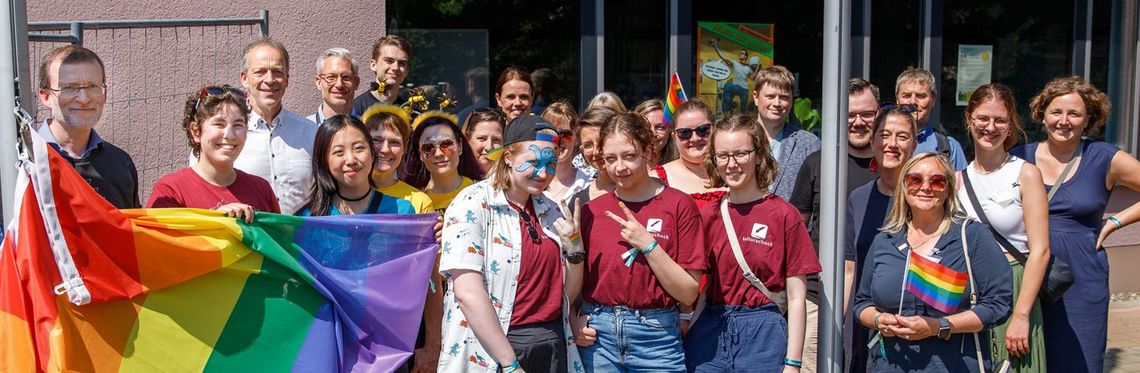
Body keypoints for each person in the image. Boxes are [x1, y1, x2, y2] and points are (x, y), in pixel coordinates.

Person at [1010, 76, 1140, 373]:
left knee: (1079, 362)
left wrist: (1117, 221)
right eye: (1056, 112)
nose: (1063, 121)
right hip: (1026, 277)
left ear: (1088, 120)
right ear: (1042, 114)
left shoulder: (1104, 158)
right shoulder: (1019, 158)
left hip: (1082, 280)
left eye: (1074, 114)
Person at [437, 117, 584, 372]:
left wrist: (574, 249)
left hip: (550, 343)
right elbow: (467, 292)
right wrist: (510, 363)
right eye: (533, 162)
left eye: (550, 164)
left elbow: (565, 295)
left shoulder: (550, 209)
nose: (543, 173)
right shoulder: (472, 202)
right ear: (507, 157)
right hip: (493, 350)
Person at [853, 153, 1013, 372]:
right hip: (891, 364)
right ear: (904, 186)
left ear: (948, 189)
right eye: (915, 179)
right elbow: (862, 303)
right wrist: (879, 319)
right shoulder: (885, 240)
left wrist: (940, 326)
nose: (925, 187)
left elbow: (999, 304)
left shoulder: (972, 236)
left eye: (937, 181)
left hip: (953, 364)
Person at [685, 114, 821, 372]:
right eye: (722, 155)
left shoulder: (784, 215)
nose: (731, 164)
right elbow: (705, 286)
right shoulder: (708, 214)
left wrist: (793, 363)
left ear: (758, 154)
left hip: (764, 333)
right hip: (711, 330)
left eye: (740, 154)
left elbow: (796, 296)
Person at [574, 112, 705, 372]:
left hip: (657, 340)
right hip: (599, 339)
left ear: (648, 151)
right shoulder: (590, 210)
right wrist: (572, 320)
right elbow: (576, 284)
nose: (619, 167)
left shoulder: (679, 205)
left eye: (629, 156)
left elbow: (689, 292)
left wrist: (649, 245)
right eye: (611, 159)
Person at [788, 77, 881, 372]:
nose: (858, 122)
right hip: (821, 299)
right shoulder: (818, 163)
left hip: (882, 300)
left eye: (866, 114)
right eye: (849, 114)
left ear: (879, 114)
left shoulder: (898, 171)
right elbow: (794, 233)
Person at [955, 84, 1049, 372]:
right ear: (969, 120)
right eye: (983, 118)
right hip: (969, 289)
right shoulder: (955, 179)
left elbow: (1041, 251)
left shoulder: (1025, 173)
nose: (990, 127)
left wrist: (1021, 314)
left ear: (1010, 127)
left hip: (1014, 286)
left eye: (1000, 120)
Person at [843, 106, 919, 373]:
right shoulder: (858, 198)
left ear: (914, 143)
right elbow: (850, 269)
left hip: (912, 321)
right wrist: (842, 327)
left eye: (902, 136)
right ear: (873, 140)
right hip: (866, 317)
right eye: (885, 135)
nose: (891, 144)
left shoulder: (926, 197)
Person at [148, 85, 279, 218]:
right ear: (195, 131)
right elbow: (160, 238)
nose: (230, 135)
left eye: (238, 125)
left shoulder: (261, 189)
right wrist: (214, 222)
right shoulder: (171, 191)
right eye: (219, 124)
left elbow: (280, 237)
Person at [36, 45, 140, 209]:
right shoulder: (24, 161)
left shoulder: (120, 163)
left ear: (105, 94)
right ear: (46, 96)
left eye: (93, 86)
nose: (84, 99)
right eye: (69, 88)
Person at [231, 38, 317, 215]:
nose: (270, 80)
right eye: (260, 72)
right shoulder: (226, 136)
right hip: (247, 238)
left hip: (299, 238)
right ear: (244, 79)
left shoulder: (311, 133)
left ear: (287, 79)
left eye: (277, 72)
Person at [295, 115, 416, 216]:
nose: (351, 160)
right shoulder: (309, 219)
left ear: (372, 154)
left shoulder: (402, 212)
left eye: (359, 148)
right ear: (325, 161)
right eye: (338, 152)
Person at [752, 65, 820, 200]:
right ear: (756, 97)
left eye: (783, 97)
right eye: (770, 96)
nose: (777, 103)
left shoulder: (809, 144)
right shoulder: (738, 138)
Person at [402, 112, 484, 213]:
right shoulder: (412, 202)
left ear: (460, 146)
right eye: (428, 148)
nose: (438, 154)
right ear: (420, 155)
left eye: (446, 144)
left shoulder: (483, 192)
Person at [653, 100, 727, 209]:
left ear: (714, 129)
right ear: (674, 137)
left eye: (703, 130)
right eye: (685, 133)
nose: (695, 138)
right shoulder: (656, 179)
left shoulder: (733, 169)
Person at [362, 105, 435, 214]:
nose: (385, 149)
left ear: (404, 147)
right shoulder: (346, 195)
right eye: (377, 140)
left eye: (394, 142)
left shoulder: (420, 203)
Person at [895, 68, 967, 171]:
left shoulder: (948, 147)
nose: (913, 101)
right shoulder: (883, 142)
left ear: (933, 100)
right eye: (906, 95)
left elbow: (960, 186)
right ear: (897, 100)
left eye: (921, 96)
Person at [568, 106, 620, 208]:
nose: (596, 152)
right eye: (588, 145)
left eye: (601, 141)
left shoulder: (649, 191)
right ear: (582, 150)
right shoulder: (579, 203)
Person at [541, 102, 591, 204]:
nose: (558, 140)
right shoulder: (531, 182)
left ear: (576, 138)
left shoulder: (587, 184)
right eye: (551, 133)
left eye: (565, 134)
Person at [353, 35, 411, 116]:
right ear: (373, 65)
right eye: (389, 61)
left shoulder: (411, 113)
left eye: (402, 63)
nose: (395, 68)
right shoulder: (356, 110)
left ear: (407, 71)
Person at [309, 48, 360, 124]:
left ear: (356, 82)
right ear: (319, 82)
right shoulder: (303, 130)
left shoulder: (371, 130)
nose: (339, 84)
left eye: (346, 77)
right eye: (331, 77)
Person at [712, 40, 756, 115]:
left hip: (744, 89)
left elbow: (752, 78)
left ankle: (743, 118)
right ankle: (727, 111)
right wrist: (715, 47)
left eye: (742, 53)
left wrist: (757, 68)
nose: (740, 54)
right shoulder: (735, 63)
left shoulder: (748, 68)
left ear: (745, 56)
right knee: (728, 86)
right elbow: (723, 57)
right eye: (740, 53)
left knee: (743, 109)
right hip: (736, 87)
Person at [633, 99, 677, 169]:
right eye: (646, 126)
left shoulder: (678, 167)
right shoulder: (628, 166)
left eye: (660, 127)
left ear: (669, 130)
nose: (653, 133)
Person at [461, 108, 506, 174]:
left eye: (496, 140)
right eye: (482, 138)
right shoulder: (453, 179)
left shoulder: (512, 180)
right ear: (467, 138)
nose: (489, 147)